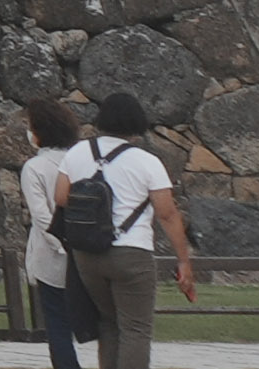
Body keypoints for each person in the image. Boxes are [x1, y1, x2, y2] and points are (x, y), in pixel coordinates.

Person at [43, 91, 199, 369]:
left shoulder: (77, 152)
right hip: (131, 252)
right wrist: (183, 260)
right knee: (136, 329)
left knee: (109, 324)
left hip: (87, 254)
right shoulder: (146, 161)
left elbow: (61, 197)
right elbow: (167, 213)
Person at [13, 94, 96, 369]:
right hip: (89, 251)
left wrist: (60, 245)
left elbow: (42, 216)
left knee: (58, 325)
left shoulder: (34, 168)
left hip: (52, 257)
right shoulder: (83, 162)